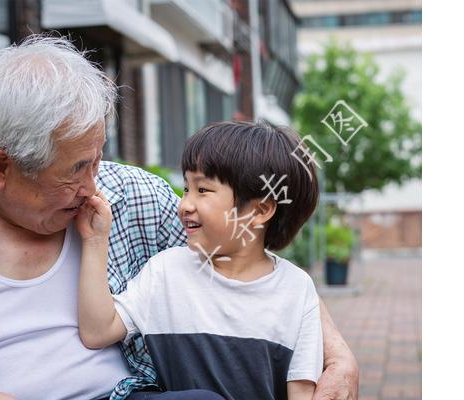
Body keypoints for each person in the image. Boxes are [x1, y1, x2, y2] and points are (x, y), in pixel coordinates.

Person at [0, 35, 359, 400]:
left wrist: (333, 354)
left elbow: (244, 255)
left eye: (97, 157)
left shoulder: (130, 193)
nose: (96, 184)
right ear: (0, 167)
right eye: (75, 168)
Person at [76, 121, 324, 399]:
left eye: (202, 190)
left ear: (260, 210)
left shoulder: (297, 289)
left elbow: (302, 392)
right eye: (185, 189)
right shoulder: (166, 272)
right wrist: (95, 241)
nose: (184, 205)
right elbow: (97, 331)